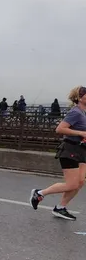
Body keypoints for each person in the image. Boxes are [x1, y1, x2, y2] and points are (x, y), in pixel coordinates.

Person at [30, 86, 86, 220]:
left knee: (80, 182)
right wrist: (80, 133)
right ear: (79, 97)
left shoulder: (84, 112)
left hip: (82, 150)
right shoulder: (75, 112)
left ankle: (60, 208)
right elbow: (60, 129)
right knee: (72, 184)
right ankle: (39, 193)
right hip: (70, 149)